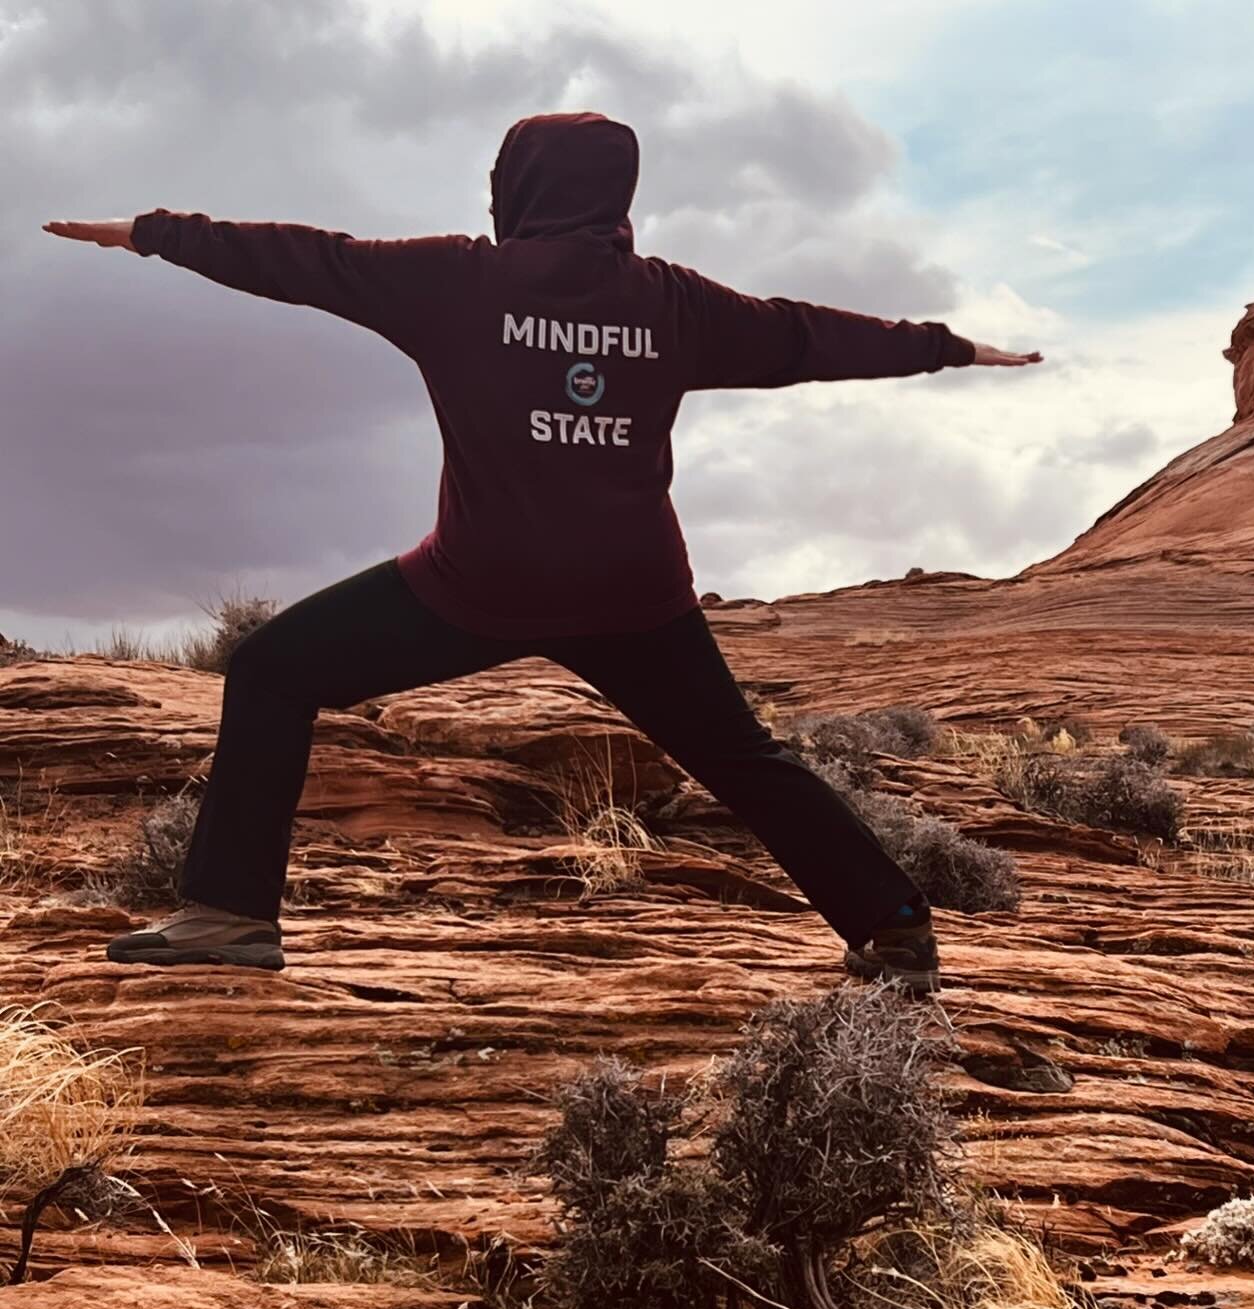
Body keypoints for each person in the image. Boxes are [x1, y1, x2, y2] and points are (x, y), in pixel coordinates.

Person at [45, 111, 1042, 993]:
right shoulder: (673, 303)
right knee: (742, 757)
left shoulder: (454, 280)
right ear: (616, 194)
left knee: (269, 670)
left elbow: (305, 257)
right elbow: (806, 336)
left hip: (478, 584)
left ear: (514, 185)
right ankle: (895, 926)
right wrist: (947, 345)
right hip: (634, 594)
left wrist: (151, 235)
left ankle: (228, 916)